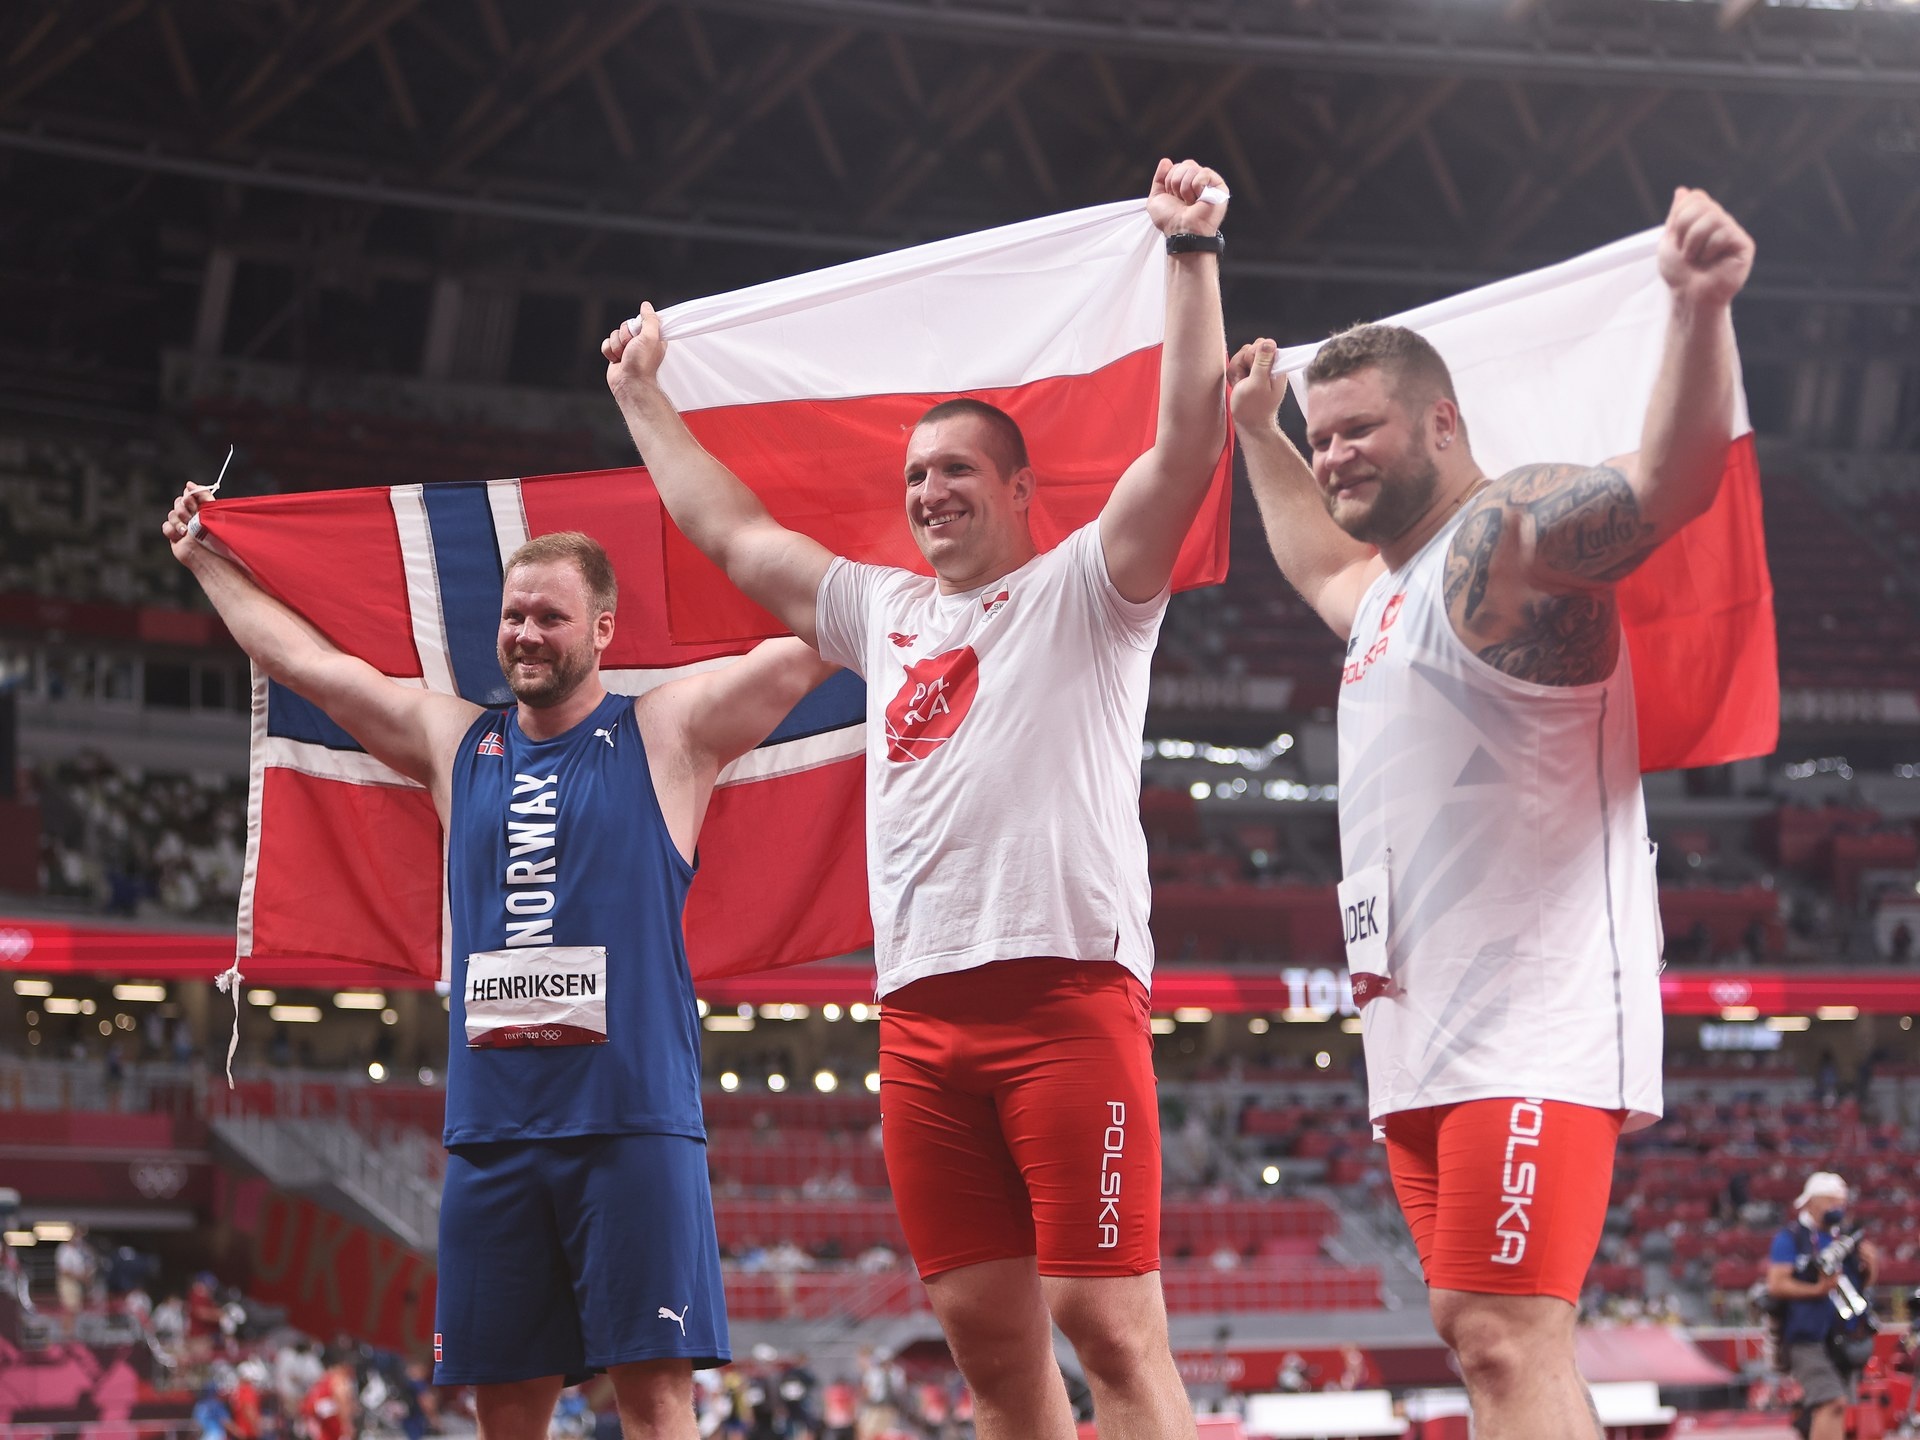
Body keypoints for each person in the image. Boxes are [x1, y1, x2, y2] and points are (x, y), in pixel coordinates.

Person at [601, 157, 1229, 1440]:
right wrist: (642, 400)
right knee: (991, 1356)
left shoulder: (1089, 591)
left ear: (1018, 489)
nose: (929, 492)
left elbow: (1186, 445)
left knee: (1110, 1328)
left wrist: (1188, 255)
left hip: (1066, 996)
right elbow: (732, 536)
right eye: (915, 479)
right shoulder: (883, 610)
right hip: (920, 1023)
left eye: (956, 471)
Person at [1226, 187, 1754, 1440]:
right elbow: (1313, 558)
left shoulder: (1501, 543)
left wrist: (1698, 310)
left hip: (1532, 1014)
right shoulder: (1394, 591)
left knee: (1506, 1338)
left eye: (1358, 430)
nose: (1337, 454)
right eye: (1325, 434)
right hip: (1419, 1024)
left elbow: (1667, 485)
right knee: (1489, 1338)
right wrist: (1261, 432)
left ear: (1444, 421)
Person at [162, 489, 838, 1440]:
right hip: (494, 1135)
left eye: (550, 616)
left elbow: (815, 639)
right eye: (515, 615)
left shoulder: (667, 732)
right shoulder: (455, 741)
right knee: (506, 1407)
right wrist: (205, 558)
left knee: (654, 1399)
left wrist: (902, 547)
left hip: (631, 1124)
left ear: (602, 627)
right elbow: (304, 663)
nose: (526, 633)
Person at [1767, 1172, 1879, 1440]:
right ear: (1811, 1203)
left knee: (1837, 1407)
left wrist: (1871, 1265)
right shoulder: (1791, 1238)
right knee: (1831, 1401)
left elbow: (1861, 1284)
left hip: (1843, 1335)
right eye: (1830, 1202)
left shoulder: (1846, 1238)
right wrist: (1816, 1289)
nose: (1836, 1208)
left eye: (1840, 1202)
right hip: (1807, 1334)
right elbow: (1777, 1283)